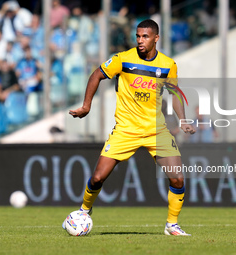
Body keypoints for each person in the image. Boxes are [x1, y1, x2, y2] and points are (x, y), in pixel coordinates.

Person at [64, 19, 195, 236]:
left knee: (177, 178)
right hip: (125, 130)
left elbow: (174, 94)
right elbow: (96, 75)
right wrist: (86, 106)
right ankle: (84, 211)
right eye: (138, 36)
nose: (140, 40)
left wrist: (182, 119)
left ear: (156, 38)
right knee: (97, 178)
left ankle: (172, 225)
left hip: (156, 130)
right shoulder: (123, 59)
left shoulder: (168, 64)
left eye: (145, 36)